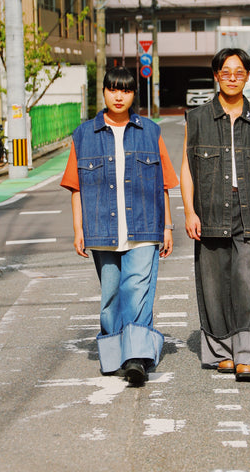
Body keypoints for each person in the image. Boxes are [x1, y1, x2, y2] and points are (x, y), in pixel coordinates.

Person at [61, 66, 178, 385]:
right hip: (101, 230)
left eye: (125, 90)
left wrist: (167, 226)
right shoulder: (84, 134)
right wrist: (78, 229)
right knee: (111, 295)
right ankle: (114, 356)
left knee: (137, 291)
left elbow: (164, 183)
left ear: (132, 96)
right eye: (113, 89)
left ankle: (136, 358)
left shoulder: (150, 131)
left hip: (144, 227)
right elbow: (75, 187)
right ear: (103, 92)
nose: (118, 95)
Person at [180, 48, 250, 382]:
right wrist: (189, 210)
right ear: (216, 75)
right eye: (226, 71)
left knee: (248, 281)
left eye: (239, 72)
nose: (232, 77)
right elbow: (187, 169)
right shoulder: (198, 118)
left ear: (247, 76)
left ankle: (247, 355)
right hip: (209, 208)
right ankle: (222, 351)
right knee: (214, 282)